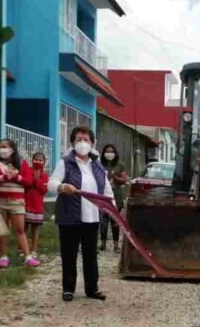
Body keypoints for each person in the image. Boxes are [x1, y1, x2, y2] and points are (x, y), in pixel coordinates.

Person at [51, 125, 115, 302]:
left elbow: (106, 190)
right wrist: (62, 187)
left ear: (92, 143)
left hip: (92, 217)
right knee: (69, 254)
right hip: (70, 216)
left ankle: (92, 288)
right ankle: (68, 288)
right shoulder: (65, 163)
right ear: (72, 142)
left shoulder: (97, 165)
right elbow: (51, 183)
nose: (82, 143)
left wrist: (112, 208)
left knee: (90, 255)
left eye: (86, 139)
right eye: (79, 139)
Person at [0, 139, 40, 267]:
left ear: (12, 149)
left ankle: (27, 256)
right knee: (3, 229)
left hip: (16, 201)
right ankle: (3, 256)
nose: (2, 150)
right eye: (0, 147)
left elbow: (29, 181)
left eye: (4, 147)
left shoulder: (21, 163)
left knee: (20, 229)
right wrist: (3, 177)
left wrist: (16, 177)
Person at [99, 144, 129, 252]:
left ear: (115, 153)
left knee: (115, 221)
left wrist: (115, 177)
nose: (109, 153)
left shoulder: (120, 165)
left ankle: (116, 245)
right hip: (103, 195)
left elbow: (125, 179)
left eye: (111, 151)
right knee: (103, 221)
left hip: (116, 195)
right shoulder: (100, 164)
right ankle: (103, 244)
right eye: (107, 151)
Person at [25, 152, 49, 256]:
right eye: (36, 159)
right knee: (24, 228)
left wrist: (37, 180)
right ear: (32, 160)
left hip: (38, 206)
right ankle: (23, 248)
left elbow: (44, 190)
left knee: (35, 229)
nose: (38, 162)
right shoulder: (28, 171)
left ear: (44, 163)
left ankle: (34, 250)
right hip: (26, 204)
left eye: (40, 160)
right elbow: (26, 184)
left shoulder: (45, 176)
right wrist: (32, 179)